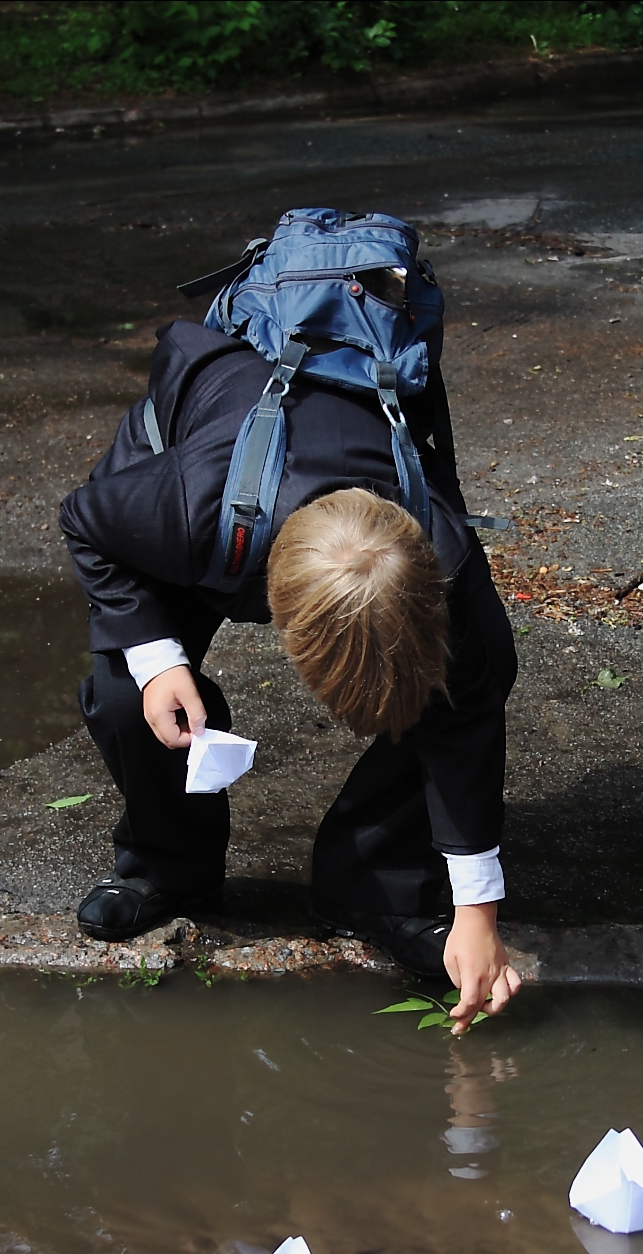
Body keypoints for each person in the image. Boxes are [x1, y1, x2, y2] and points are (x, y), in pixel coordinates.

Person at [59, 316, 520, 1033]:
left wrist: (476, 913)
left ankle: (376, 887)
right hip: (210, 468)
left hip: (345, 483)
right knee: (125, 691)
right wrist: (158, 660)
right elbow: (86, 523)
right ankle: (168, 869)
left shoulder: (444, 559)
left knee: (476, 666)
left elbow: (470, 720)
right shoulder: (185, 511)